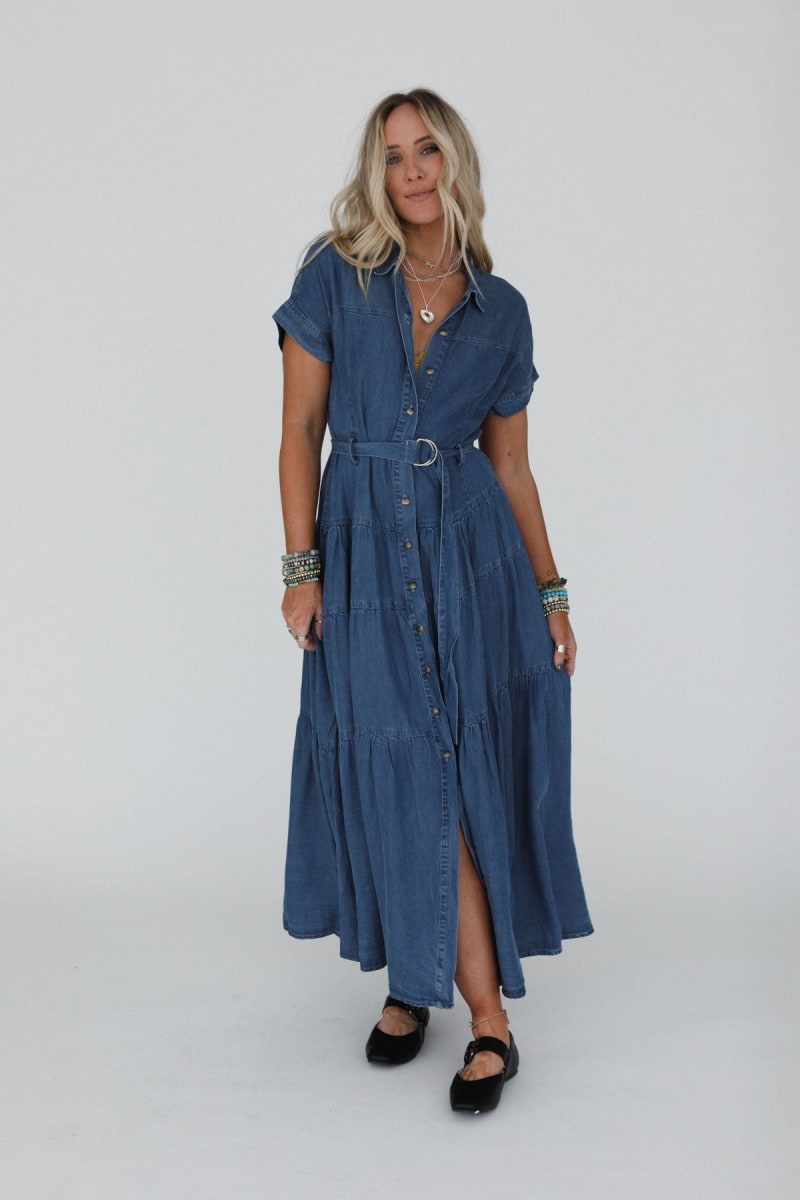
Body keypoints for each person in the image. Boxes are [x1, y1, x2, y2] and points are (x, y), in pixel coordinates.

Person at [273, 88, 592, 1115]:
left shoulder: (502, 312)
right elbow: (300, 432)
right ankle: (428, 985)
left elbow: (512, 468)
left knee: (450, 766)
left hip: (469, 565)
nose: (411, 171)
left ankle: (474, 1014)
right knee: (399, 763)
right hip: (363, 562)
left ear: (455, 162)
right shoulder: (334, 276)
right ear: (376, 174)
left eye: (427, 151)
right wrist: (301, 570)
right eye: (392, 155)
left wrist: (549, 592)